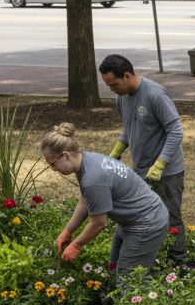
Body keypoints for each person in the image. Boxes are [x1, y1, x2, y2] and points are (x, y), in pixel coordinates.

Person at [42, 122, 169, 274]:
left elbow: (98, 223)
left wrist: (76, 245)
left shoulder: (92, 178)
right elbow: (86, 199)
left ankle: (141, 296)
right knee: (115, 267)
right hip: (136, 219)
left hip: (147, 222)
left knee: (130, 278)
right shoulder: (88, 160)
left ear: (65, 156)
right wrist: (68, 231)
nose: (54, 169)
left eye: (53, 164)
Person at [99, 54, 186, 266]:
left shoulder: (155, 95)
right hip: (140, 170)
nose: (112, 89)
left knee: (171, 217)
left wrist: (161, 163)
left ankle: (178, 262)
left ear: (127, 75)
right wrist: (116, 152)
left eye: (114, 84)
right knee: (144, 216)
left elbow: (176, 131)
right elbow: (130, 128)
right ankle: (154, 258)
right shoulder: (122, 98)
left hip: (167, 172)